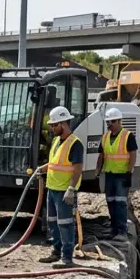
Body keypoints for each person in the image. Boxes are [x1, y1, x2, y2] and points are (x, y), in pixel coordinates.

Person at [36, 106, 84, 269]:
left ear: (63, 124)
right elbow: (55, 162)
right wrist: (42, 168)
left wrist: (71, 189)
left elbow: (77, 168)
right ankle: (56, 252)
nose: (51, 128)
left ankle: (67, 259)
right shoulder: (57, 141)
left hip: (64, 191)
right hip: (52, 188)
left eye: (54, 125)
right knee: (52, 222)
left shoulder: (75, 144)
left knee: (65, 224)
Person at [100, 107, 137, 240]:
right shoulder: (105, 137)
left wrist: (129, 172)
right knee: (111, 202)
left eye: (112, 121)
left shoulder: (127, 136)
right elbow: (102, 155)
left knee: (121, 203)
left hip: (122, 175)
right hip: (109, 174)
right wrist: (98, 171)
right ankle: (114, 229)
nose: (110, 124)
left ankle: (122, 232)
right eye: (108, 122)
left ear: (119, 121)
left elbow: (133, 155)